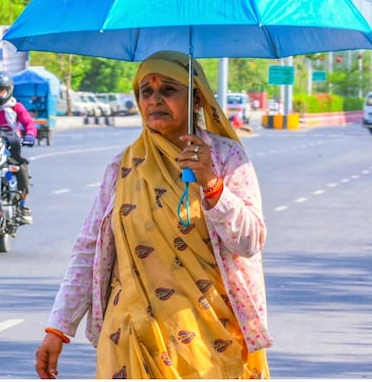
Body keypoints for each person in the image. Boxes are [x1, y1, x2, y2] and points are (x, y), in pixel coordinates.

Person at [34, 50, 271, 379]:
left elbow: (249, 241)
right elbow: (89, 248)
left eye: (169, 89)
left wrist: (211, 184)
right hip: (131, 333)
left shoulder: (226, 158)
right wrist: (58, 328)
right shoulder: (123, 166)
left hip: (208, 338)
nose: (155, 100)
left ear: (197, 99)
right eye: (147, 91)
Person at [0, 70, 37, 224]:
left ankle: (22, 206)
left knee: (21, 170)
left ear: (9, 90)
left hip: (9, 150)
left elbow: (29, 123)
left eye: (3, 90)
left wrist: (30, 135)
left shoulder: (15, 107)